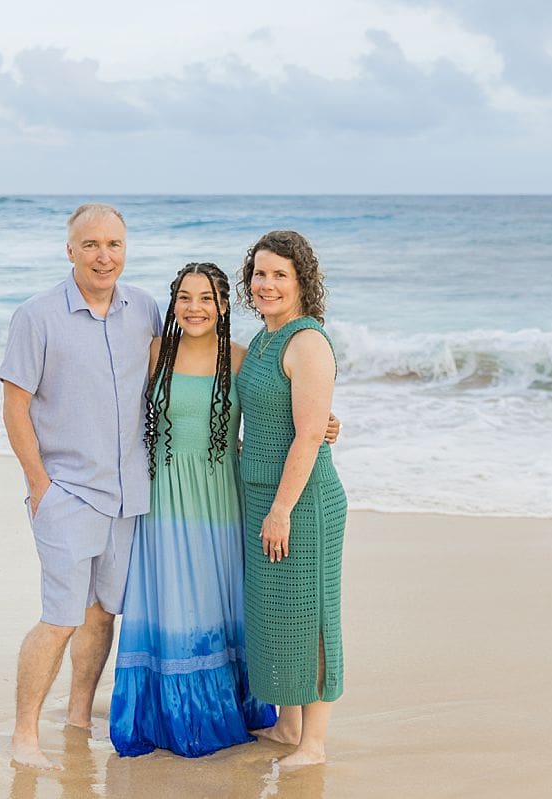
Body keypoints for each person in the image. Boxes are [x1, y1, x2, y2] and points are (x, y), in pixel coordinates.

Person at [0, 203, 162, 769]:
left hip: (129, 494)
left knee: (101, 614)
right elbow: (15, 406)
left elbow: (193, 363)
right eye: (91, 245)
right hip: (67, 491)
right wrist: (39, 484)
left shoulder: (144, 308)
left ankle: (76, 715)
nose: (103, 256)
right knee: (62, 616)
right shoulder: (36, 316)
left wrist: (288, 389)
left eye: (114, 245)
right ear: (70, 250)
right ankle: (25, 735)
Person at [108, 263, 277, 757]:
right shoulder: (156, 351)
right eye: (185, 297)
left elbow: (279, 411)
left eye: (206, 298)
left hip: (220, 498)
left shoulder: (243, 360)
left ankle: (220, 709)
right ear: (173, 303)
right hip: (161, 498)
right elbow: (108, 400)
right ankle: (168, 714)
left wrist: (325, 421)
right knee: (170, 599)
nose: (195, 308)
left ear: (224, 306)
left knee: (211, 597)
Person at [235, 230, 346, 767]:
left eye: (280, 274)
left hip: (301, 502)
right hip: (262, 492)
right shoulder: (262, 340)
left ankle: (315, 744)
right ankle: (286, 725)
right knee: (277, 614)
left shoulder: (307, 341)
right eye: (260, 273)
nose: (267, 284)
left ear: (302, 282)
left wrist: (281, 510)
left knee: (313, 613)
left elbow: (306, 435)